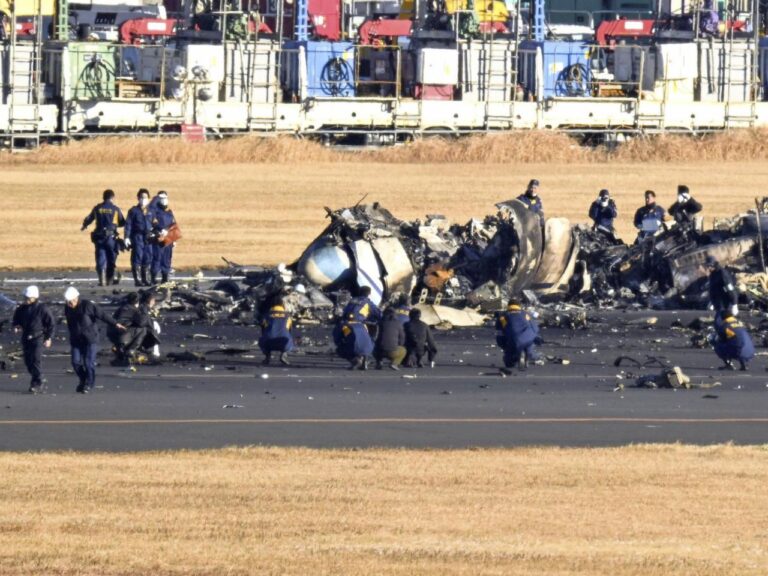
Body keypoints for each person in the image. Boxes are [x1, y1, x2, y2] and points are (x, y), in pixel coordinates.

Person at [63, 287, 125, 394]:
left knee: (88, 363)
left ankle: (89, 384)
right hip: (76, 339)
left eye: (71, 301)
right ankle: (83, 380)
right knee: (75, 362)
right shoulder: (67, 308)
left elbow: (102, 315)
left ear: (76, 298)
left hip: (90, 338)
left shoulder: (87, 305)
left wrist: (115, 323)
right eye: (68, 301)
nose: (69, 303)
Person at [12, 285, 55, 394]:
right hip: (26, 337)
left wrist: (48, 337)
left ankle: (37, 382)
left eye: (28, 298)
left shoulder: (42, 309)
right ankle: (37, 378)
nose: (25, 300)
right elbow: (16, 320)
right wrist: (16, 326)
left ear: (34, 297)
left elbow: (51, 324)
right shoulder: (21, 309)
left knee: (36, 360)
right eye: (25, 297)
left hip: (38, 337)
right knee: (28, 362)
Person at [81, 189, 125, 286]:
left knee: (100, 257)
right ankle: (110, 279)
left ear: (103, 197)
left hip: (99, 238)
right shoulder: (115, 209)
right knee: (111, 258)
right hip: (111, 238)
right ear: (112, 198)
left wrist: (84, 225)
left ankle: (102, 280)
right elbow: (122, 222)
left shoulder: (97, 208)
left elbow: (89, 218)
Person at [495, 298, 540, 371]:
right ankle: (527, 356)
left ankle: (516, 357)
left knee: (508, 363)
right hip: (527, 338)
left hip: (512, 339)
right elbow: (535, 328)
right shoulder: (526, 314)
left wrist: (503, 345)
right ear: (519, 306)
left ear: (508, 306)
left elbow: (499, 333)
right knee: (529, 345)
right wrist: (537, 338)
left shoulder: (502, 316)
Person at [108, 292, 152, 365]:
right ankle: (131, 350)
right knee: (143, 329)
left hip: (111, 334)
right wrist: (145, 310)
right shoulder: (133, 309)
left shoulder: (122, 308)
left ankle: (120, 355)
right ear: (137, 302)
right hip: (122, 335)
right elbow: (142, 323)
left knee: (127, 332)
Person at [124, 189, 154, 287]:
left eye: (145, 197)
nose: (143, 199)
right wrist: (127, 237)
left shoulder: (151, 211)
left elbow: (156, 223)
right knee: (137, 257)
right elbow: (128, 224)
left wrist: (158, 232)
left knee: (147, 257)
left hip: (148, 237)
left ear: (148, 198)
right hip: (138, 237)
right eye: (141, 197)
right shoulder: (133, 211)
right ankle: (138, 279)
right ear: (138, 198)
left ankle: (146, 279)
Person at [149, 190, 177, 284]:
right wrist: (156, 198)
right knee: (157, 258)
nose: (164, 200)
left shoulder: (169, 212)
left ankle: (165, 277)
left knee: (167, 258)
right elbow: (151, 212)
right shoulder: (154, 211)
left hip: (168, 238)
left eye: (165, 198)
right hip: (158, 237)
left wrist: (174, 238)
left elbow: (174, 224)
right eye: (162, 198)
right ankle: (153, 276)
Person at [258, 298, 294, 366]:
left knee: (262, 339)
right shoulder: (287, 316)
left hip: (268, 342)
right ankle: (284, 354)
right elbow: (289, 330)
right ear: (282, 305)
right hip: (283, 343)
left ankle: (267, 356)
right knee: (289, 338)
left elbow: (263, 330)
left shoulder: (266, 315)